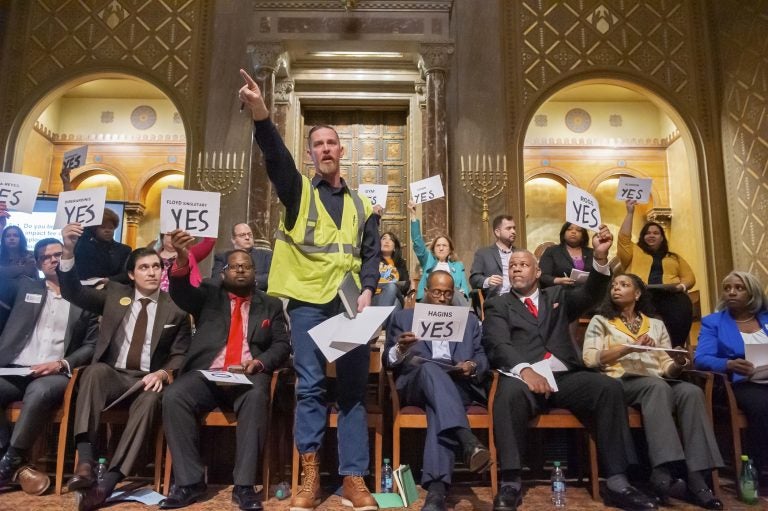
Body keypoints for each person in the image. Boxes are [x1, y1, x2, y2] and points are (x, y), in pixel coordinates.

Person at [239, 69, 380, 511]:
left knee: (355, 391)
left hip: (348, 307)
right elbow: (275, 157)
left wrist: (370, 289)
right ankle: (310, 479)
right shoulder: (298, 191)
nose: (325, 149)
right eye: (317, 144)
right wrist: (261, 116)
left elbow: (370, 254)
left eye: (331, 143)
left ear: (341, 151)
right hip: (306, 306)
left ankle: (355, 479)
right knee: (312, 388)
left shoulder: (364, 204)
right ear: (311, 153)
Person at [482, 225, 659, 511]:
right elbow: (497, 344)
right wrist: (526, 371)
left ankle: (617, 481)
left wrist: (600, 259)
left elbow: (590, 294)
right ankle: (511, 482)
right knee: (507, 395)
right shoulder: (498, 305)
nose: (516, 269)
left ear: (537, 272)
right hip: (525, 377)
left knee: (607, 388)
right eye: (512, 266)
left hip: (565, 376)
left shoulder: (558, 297)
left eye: (523, 265)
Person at [58, 223, 192, 511]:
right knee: (93, 371)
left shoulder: (176, 308)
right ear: (132, 274)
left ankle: (106, 486)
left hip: (146, 379)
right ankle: (85, 461)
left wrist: (164, 373)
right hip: (113, 375)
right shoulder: (114, 295)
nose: (152, 272)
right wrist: (68, 251)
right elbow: (73, 292)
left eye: (156, 266)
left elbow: (181, 353)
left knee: (150, 400)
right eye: (144, 267)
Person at [158, 231, 291, 510]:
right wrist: (182, 258)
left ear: (255, 272)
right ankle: (189, 481)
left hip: (248, 375)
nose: (241, 270)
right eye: (235, 266)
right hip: (208, 375)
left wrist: (259, 362)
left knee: (257, 397)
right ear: (223, 272)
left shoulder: (271, 304)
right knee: (174, 396)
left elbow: (281, 345)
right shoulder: (208, 294)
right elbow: (181, 292)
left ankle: (244, 487)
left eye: (247, 266)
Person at [583, 274, 723, 509]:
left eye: (624, 285)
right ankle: (662, 471)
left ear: (637, 294)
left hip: (656, 380)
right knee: (656, 387)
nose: (616, 288)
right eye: (614, 285)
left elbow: (666, 368)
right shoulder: (601, 321)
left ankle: (698, 478)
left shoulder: (656, 324)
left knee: (690, 392)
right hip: (621, 381)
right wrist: (627, 348)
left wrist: (678, 362)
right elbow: (590, 359)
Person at [384, 270, 490, 511]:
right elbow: (387, 361)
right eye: (437, 292)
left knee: (439, 409)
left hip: (457, 387)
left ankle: (436, 493)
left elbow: (482, 357)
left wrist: (472, 365)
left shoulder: (469, 320)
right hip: (416, 385)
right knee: (431, 369)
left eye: (448, 293)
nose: (442, 298)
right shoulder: (403, 317)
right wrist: (400, 348)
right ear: (426, 292)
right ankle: (467, 440)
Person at [0, 238, 99, 495]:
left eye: (59, 254)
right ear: (38, 263)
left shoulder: (84, 298)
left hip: (55, 373)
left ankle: (11, 458)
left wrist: (61, 363)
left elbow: (91, 344)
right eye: (47, 257)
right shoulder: (23, 287)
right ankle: (16, 465)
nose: (54, 260)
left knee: (40, 391)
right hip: (15, 368)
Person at [695, 271, 768, 486]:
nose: (731, 292)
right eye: (727, 288)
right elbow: (701, 358)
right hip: (739, 382)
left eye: (738, 288)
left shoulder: (765, 318)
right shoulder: (713, 322)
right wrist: (728, 364)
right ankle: (759, 469)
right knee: (762, 405)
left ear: (752, 292)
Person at [618, 200, 695, 347]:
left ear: (662, 237)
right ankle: (643, 346)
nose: (651, 235)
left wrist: (681, 287)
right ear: (642, 237)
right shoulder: (633, 252)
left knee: (683, 302)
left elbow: (689, 277)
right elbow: (624, 239)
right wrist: (630, 213)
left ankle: (674, 349)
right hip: (641, 294)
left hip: (669, 293)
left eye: (656, 233)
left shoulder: (673, 257)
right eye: (647, 233)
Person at [409, 201, 470, 306]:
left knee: (454, 292)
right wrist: (413, 216)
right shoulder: (428, 261)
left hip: (452, 300)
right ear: (433, 249)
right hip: (430, 299)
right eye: (438, 245)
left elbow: (464, 289)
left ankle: (467, 317)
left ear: (450, 249)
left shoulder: (458, 266)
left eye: (444, 245)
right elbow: (417, 242)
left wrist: (463, 293)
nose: (441, 248)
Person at [73, 208, 132, 282]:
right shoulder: (83, 248)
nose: (107, 230)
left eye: (111, 228)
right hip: (85, 289)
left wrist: (108, 280)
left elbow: (128, 274)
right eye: (103, 227)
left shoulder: (124, 250)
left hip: (112, 290)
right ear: (94, 229)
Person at [210, 223, 272, 291]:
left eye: (250, 234)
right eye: (242, 235)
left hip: (258, 296)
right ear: (233, 240)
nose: (247, 238)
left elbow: (270, 277)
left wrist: (243, 281)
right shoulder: (222, 257)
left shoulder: (266, 255)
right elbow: (217, 278)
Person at [469, 215, 517, 299]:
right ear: (497, 232)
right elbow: (474, 279)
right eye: (508, 228)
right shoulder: (483, 254)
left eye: (514, 228)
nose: (513, 231)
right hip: (496, 300)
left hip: (519, 299)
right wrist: (487, 281)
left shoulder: (521, 253)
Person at [539, 222, 594, 288]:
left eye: (578, 230)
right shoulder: (552, 251)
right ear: (563, 234)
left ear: (583, 236)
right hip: (559, 293)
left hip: (587, 292)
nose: (573, 232)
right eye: (569, 229)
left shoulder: (592, 253)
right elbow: (542, 276)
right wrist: (558, 281)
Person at [372, 232, 409, 310]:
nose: (387, 241)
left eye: (391, 239)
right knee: (395, 303)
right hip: (375, 296)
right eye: (384, 238)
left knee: (392, 288)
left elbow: (406, 284)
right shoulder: (372, 260)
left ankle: (380, 321)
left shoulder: (400, 263)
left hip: (396, 294)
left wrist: (390, 287)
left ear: (395, 247)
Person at [0, 215, 38, 283]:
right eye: (8, 236)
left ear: (21, 239)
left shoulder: (31, 255)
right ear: (3, 240)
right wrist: (22, 269)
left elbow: (29, 271)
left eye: (15, 235)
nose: (12, 238)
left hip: (28, 290)